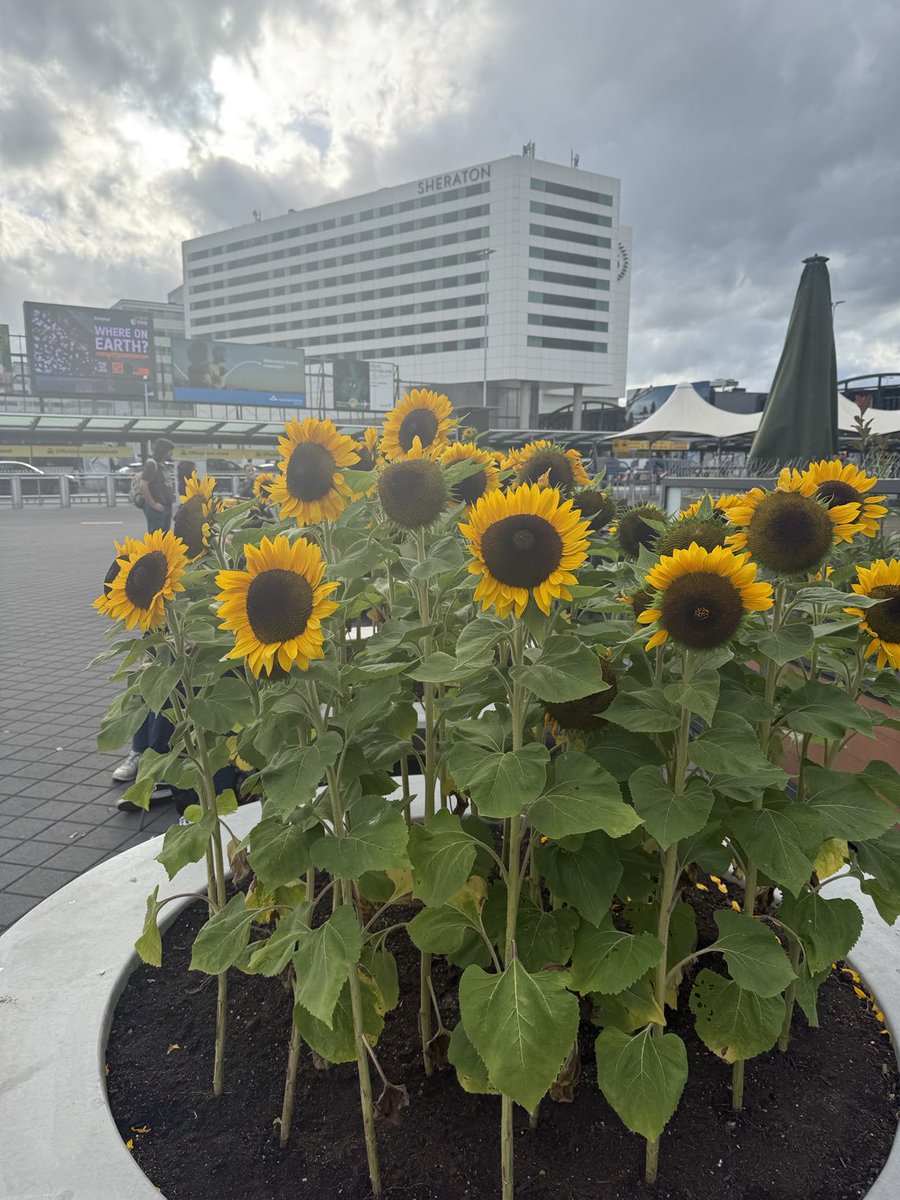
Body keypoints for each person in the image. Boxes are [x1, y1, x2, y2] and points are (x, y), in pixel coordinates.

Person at [140, 438, 175, 533]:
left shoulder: (163, 465)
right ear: (163, 451)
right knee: (156, 539)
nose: (171, 453)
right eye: (169, 451)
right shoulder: (152, 464)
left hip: (166, 505)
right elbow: (143, 485)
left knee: (164, 538)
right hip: (158, 507)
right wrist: (154, 504)